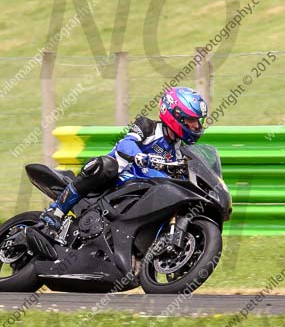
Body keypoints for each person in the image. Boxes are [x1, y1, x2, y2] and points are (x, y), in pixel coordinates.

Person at [39, 86, 209, 232]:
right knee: (105, 165)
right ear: (175, 114)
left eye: (198, 121)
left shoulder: (179, 153)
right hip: (115, 180)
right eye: (192, 119)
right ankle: (56, 211)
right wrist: (140, 156)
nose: (196, 126)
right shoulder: (147, 127)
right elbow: (125, 144)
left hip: (142, 193)